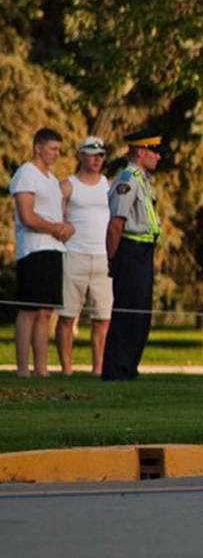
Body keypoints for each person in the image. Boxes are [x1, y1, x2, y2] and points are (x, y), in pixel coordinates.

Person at [101, 126, 165, 380]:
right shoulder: (127, 180)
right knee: (128, 311)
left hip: (143, 250)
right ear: (141, 151)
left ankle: (128, 367)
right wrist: (113, 259)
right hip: (130, 249)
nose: (159, 156)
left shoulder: (141, 179)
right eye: (155, 151)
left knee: (140, 312)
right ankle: (117, 369)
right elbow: (116, 224)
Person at [11, 127, 73, 378]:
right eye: (52, 149)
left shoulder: (51, 179)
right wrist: (54, 228)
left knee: (46, 312)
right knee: (29, 310)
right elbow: (27, 216)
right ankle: (23, 368)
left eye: (59, 149)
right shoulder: (26, 174)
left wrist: (66, 227)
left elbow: (58, 214)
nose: (57, 154)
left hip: (54, 249)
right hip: (33, 249)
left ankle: (41, 368)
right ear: (38, 148)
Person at [55, 137, 114, 376]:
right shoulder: (67, 186)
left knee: (103, 318)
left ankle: (98, 368)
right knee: (68, 315)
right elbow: (57, 219)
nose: (97, 158)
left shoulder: (108, 186)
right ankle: (67, 368)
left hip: (103, 258)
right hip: (74, 255)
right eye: (92, 154)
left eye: (101, 154)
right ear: (80, 155)